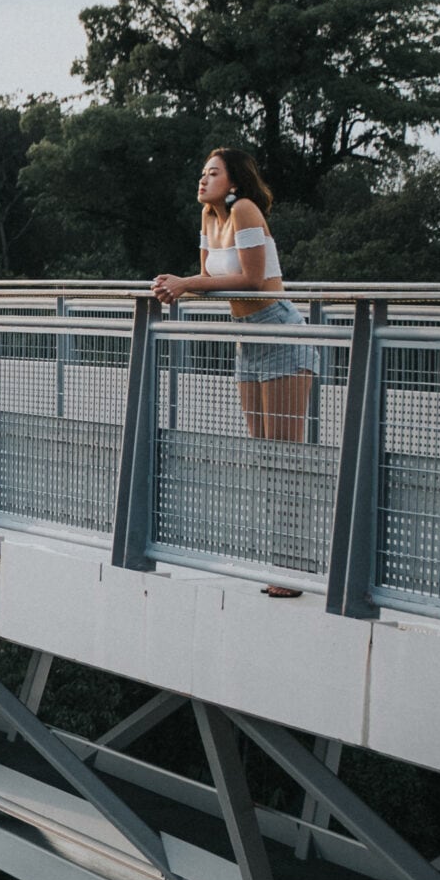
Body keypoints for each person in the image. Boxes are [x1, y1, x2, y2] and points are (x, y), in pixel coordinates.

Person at [150, 146, 319, 595]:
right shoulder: (209, 218)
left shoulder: (244, 210)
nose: (202, 180)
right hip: (247, 336)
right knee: (264, 455)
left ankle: (295, 569)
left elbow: (252, 278)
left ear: (235, 181)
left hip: (279, 332)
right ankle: (282, 564)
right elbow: (209, 275)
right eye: (202, 173)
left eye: (212, 173)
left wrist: (185, 284)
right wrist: (178, 285)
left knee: (286, 457)